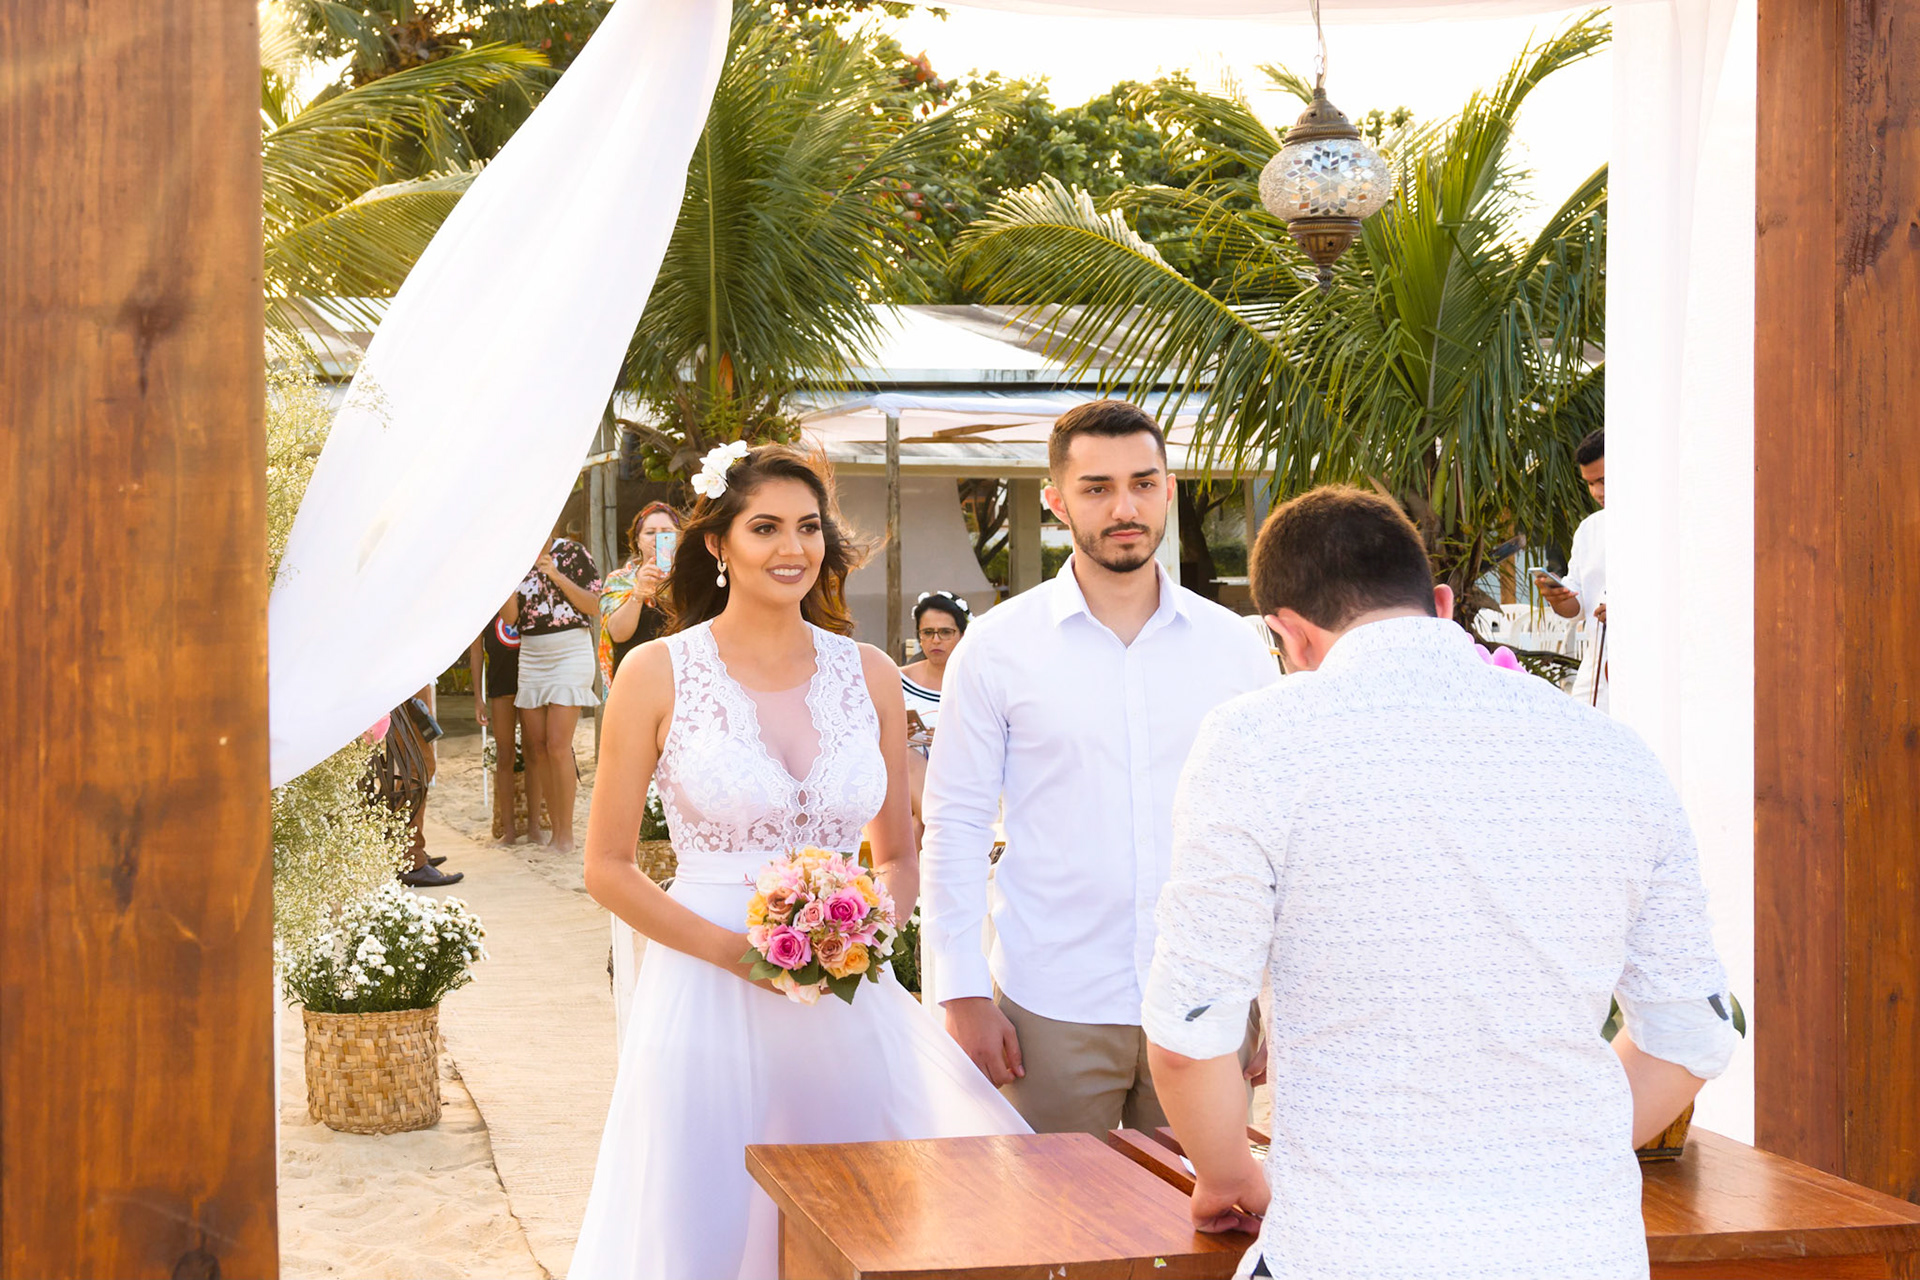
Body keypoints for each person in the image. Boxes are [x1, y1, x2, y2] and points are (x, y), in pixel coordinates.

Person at [1145, 485, 1738, 1280]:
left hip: (1348, 1252)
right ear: (1444, 605)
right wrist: (1551, 1161)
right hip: (1581, 1252)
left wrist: (1226, 1178)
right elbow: (1694, 1031)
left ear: (1289, 634)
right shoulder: (1613, 752)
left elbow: (1188, 1037)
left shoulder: (1258, 741)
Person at [570, 443, 1026, 1280]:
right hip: (707, 992)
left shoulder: (871, 674)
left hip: (846, 996)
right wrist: (742, 957)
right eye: (766, 528)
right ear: (718, 543)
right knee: (709, 1218)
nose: (793, 548)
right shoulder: (655, 672)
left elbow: (898, 854)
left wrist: (858, 934)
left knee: (864, 1217)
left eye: (809, 527)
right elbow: (607, 866)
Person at [921, 400, 1279, 1136]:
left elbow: (1273, 832)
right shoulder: (996, 648)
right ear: (1056, 500)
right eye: (1097, 488)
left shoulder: (1236, 649)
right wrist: (961, 992)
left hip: (1204, 1002)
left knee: (1200, 1209)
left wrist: (1275, 1001)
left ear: (1169, 490)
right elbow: (954, 825)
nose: (1125, 508)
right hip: (1051, 1001)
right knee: (1047, 1211)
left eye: (1143, 484)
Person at [504, 523, 601, 853]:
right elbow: (510, 619)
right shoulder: (515, 559)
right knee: (538, 747)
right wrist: (506, 579)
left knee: (559, 744)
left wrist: (556, 574)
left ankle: (566, 836)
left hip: (571, 650)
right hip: (532, 653)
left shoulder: (573, 552)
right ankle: (555, 828)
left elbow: (593, 605)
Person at [1539, 428, 1608, 710]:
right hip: (1595, 674)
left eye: (1603, 480)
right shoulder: (1588, 530)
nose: (1597, 492)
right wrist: (1559, 598)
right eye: (1590, 483)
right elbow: (1576, 608)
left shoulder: (1663, 522)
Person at [467, 599, 543, 846]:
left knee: (533, 752)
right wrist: (478, 698)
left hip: (530, 683)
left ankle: (534, 827)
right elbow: (476, 652)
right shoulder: (484, 604)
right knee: (504, 754)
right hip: (500, 686)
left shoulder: (526, 597)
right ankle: (508, 830)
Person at [898, 590, 970, 840]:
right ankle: (946, 835)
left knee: (916, 828)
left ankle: (940, 831)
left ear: (962, 635)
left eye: (945, 632)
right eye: (927, 632)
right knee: (905, 755)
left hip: (960, 781)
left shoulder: (978, 682)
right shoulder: (898, 679)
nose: (935, 640)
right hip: (905, 787)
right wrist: (897, 734)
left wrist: (950, 739)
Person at [597, 501, 682, 688]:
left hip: (679, 678)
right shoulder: (619, 580)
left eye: (666, 532)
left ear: (679, 538)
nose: (657, 538)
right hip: (633, 679)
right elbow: (618, 634)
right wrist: (638, 593)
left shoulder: (692, 579)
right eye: (650, 532)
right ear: (638, 541)